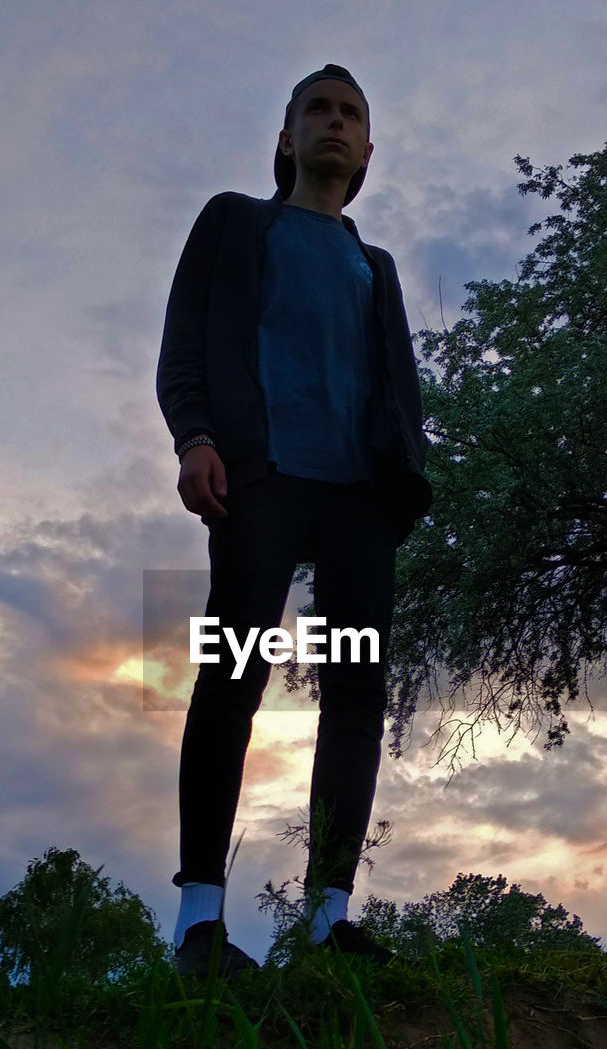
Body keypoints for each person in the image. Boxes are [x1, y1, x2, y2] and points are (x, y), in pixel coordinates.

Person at [156, 64, 433, 979]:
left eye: (351, 114)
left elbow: (396, 383)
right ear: (286, 138)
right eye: (317, 109)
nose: (334, 123)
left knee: (354, 696)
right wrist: (194, 435)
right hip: (261, 482)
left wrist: (405, 483)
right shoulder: (238, 222)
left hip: (358, 500)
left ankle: (326, 921)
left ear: (366, 152)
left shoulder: (374, 264)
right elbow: (187, 340)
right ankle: (201, 923)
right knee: (234, 680)